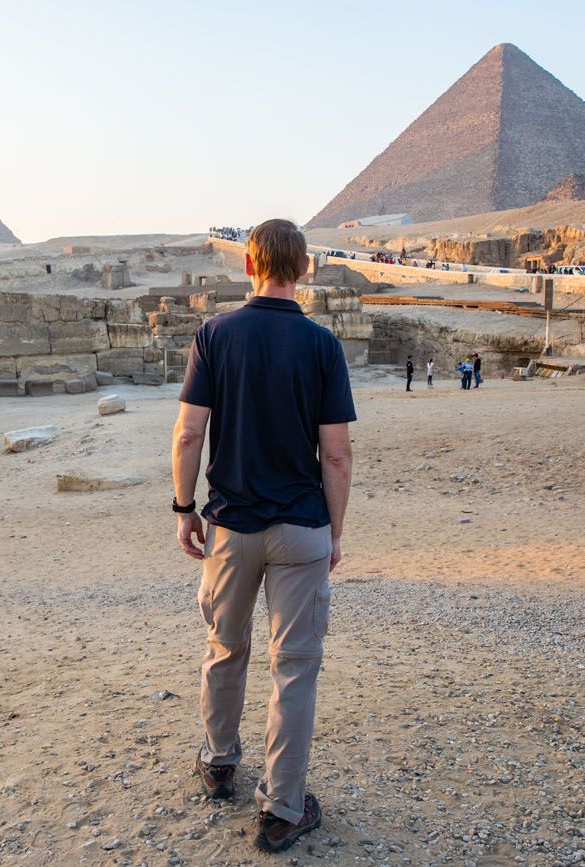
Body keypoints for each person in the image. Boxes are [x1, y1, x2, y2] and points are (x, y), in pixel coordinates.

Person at [172, 218, 353, 855]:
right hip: (301, 525)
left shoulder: (215, 335)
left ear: (248, 266)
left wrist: (183, 506)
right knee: (295, 667)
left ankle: (219, 763)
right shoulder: (322, 345)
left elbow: (189, 433)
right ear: (302, 269)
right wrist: (333, 532)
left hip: (230, 525)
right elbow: (336, 455)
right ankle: (282, 808)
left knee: (225, 647)